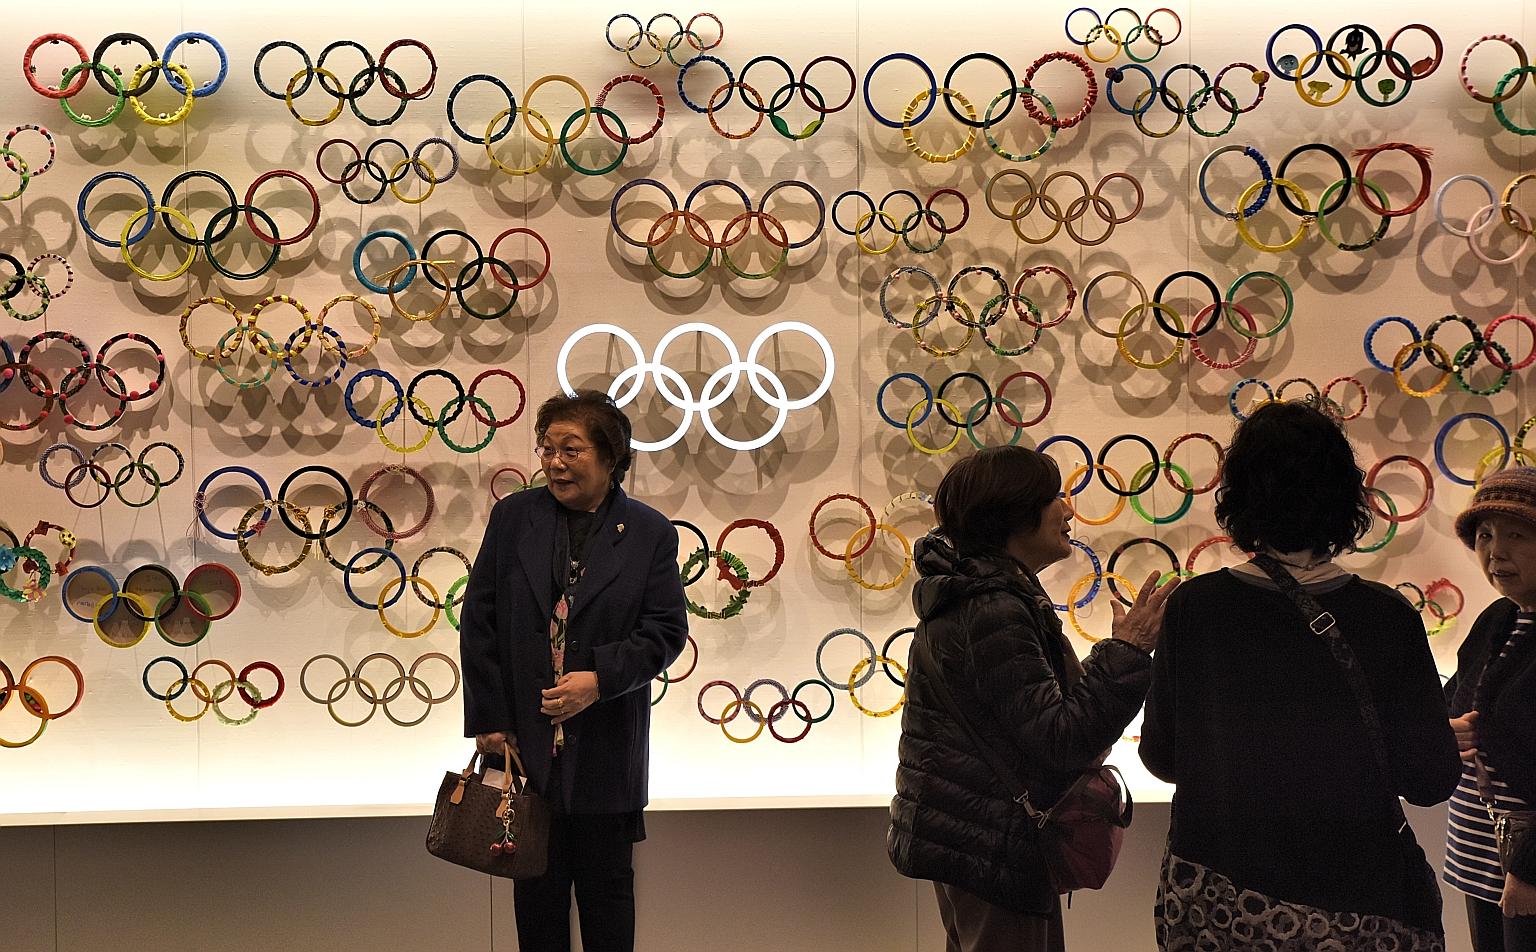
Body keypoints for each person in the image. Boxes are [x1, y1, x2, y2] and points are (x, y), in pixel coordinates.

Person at [1140, 400, 1461, 951]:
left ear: (1237, 497)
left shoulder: (1195, 608)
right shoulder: (1388, 618)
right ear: (1346, 498)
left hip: (1220, 904)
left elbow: (1161, 758)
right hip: (1357, 903)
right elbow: (1430, 781)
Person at [888, 444, 1180, 952]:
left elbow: (1034, 716)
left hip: (977, 838)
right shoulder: (993, 608)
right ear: (1014, 514)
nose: (1068, 510)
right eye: (1053, 498)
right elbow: (1060, 739)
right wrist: (1128, 652)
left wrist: (1117, 655)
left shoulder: (981, 596)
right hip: (992, 845)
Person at [459, 389, 687, 952]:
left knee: (608, 899)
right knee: (536, 902)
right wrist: (490, 718)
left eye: (571, 449)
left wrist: (600, 680)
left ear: (611, 457)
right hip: (525, 749)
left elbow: (665, 631)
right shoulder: (514, 518)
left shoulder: (650, 533)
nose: (555, 462)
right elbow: (480, 620)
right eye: (547, 448)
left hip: (606, 749)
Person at [1445, 468, 1536, 950]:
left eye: (1517, 535)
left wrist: (1529, 869)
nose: (1496, 552)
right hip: (1482, 858)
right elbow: (1454, 702)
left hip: (1526, 870)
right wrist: (1449, 729)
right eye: (1485, 535)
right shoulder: (1498, 618)